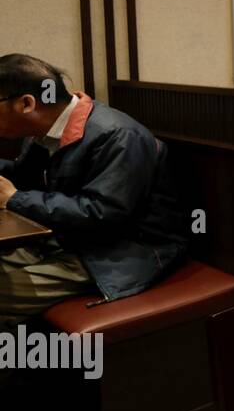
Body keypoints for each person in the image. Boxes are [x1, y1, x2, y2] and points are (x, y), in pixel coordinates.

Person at [0, 54, 188, 328]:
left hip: (123, 253)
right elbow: (25, 177)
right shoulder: (45, 131)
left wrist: (15, 199)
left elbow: (103, 213)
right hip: (73, 239)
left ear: (26, 104)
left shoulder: (118, 135)